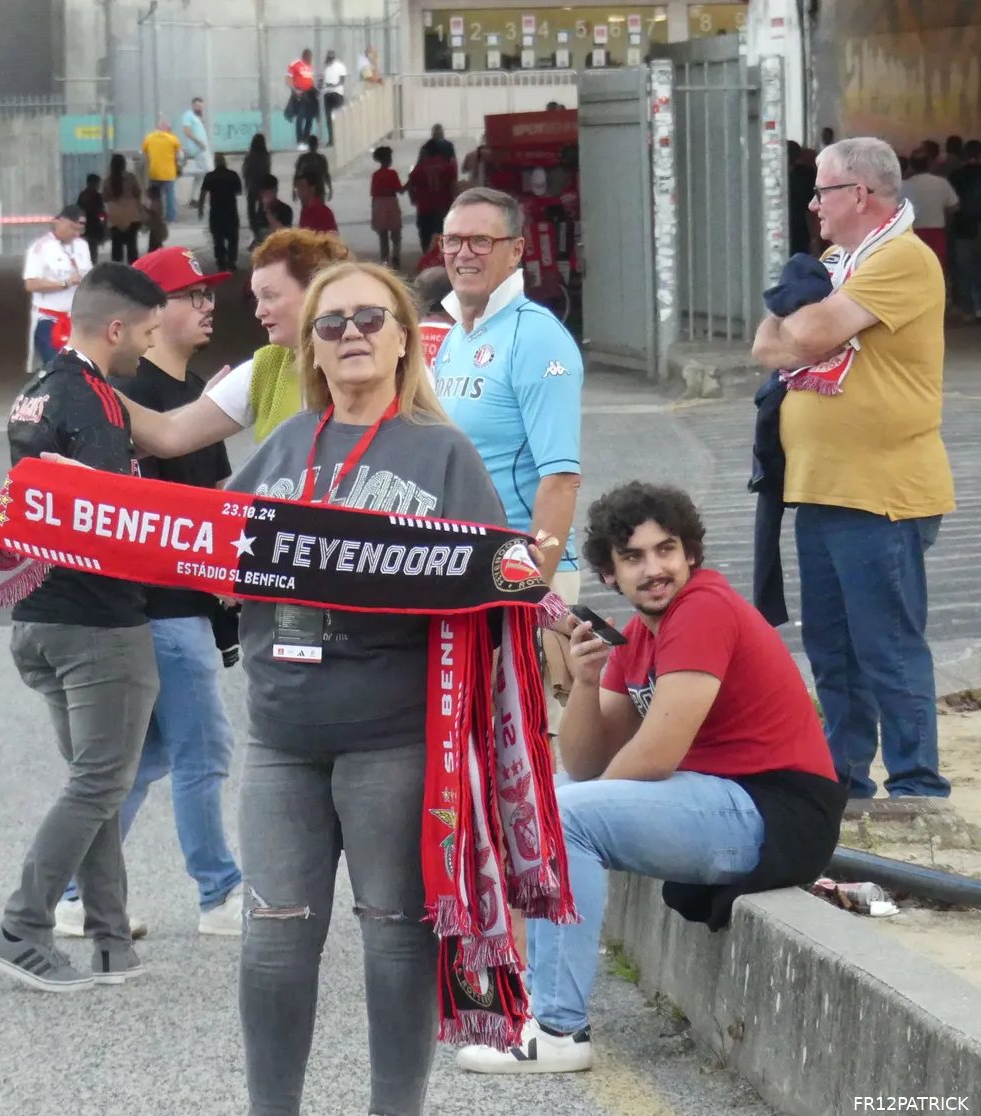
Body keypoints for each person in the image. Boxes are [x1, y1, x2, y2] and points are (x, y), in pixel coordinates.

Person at [225, 259, 508, 1116]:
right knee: (273, 941)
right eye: (331, 323)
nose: (350, 335)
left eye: (368, 319)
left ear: (400, 339)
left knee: (394, 934)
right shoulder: (282, 444)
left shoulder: (443, 451)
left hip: (393, 735)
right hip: (280, 732)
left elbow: (501, 578)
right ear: (310, 346)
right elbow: (202, 549)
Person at [455, 483, 845, 1074]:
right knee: (542, 800)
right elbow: (585, 764)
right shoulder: (639, 635)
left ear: (690, 552)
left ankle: (559, 1030)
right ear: (610, 575)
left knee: (562, 813)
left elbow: (656, 754)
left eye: (666, 550)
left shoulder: (704, 610)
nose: (655, 569)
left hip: (777, 809)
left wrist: (570, 814)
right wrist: (586, 684)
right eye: (633, 558)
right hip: (721, 800)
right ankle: (532, 1004)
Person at [0, 262, 168, 992]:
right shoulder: (96, 402)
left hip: (36, 616)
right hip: (98, 623)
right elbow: (108, 520)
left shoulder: (35, 393)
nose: (147, 350)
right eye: (147, 334)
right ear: (115, 329)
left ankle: (111, 941)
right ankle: (21, 925)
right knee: (99, 783)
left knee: (98, 784)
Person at [751, 136, 953, 800]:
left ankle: (919, 788)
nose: (813, 206)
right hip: (822, 485)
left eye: (821, 190)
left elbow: (802, 338)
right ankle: (845, 782)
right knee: (834, 654)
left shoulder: (902, 259)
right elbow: (764, 346)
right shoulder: (839, 261)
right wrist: (801, 314)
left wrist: (800, 315)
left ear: (858, 194)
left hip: (881, 491)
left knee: (887, 648)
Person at [56, 246, 244, 941]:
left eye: (208, 294)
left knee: (148, 759)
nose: (207, 307)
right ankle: (219, 894)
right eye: (192, 294)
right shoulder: (130, 404)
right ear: (148, 314)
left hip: (189, 603)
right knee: (205, 749)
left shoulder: (197, 389)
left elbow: (216, 494)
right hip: (161, 604)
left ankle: (74, 890)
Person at [434, 187, 585, 718]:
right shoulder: (456, 337)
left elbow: (561, 479)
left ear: (517, 250)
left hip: (527, 579)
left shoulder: (536, 337)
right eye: (453, 240)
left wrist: (534, 593)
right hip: (469, 577)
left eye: (481, 240)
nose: (463, 253)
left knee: (535, 763)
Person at [118, 229, 351, 457]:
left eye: (270, 296)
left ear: (317, 291)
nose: (259, 312)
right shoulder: (265, 367)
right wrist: (91, 384)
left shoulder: (376, 364)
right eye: (257, 299)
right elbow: (171, 436)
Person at [23, 205, 92, 369]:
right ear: (59, 222)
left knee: (82, 368)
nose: (75, 234)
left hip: (76, 320)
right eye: (72, 228)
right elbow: (30, 283)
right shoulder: (40, 248)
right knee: (56, 367)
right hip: (49, 320)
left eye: (79, 230)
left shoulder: (82, 245)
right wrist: (64, 283)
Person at [900, 153, 958, 272]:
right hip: (936, 234)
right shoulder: (941, 182)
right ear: (930, 164)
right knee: (937, 270)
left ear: (911, 166)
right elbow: (954, 207)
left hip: (912, 234)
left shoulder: (905, 185)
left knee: (914, 270)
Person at [950, 139, 981, 321]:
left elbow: (953, 204)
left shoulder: (957, 175)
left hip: (963, 227)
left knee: (964, 267)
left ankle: (968, 308)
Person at [198, 154, 244, 272]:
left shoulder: (210, 176)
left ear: (215, 162)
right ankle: (231, 261)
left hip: (216, 212)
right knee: (233, 238)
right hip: (230, 211)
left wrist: (200, 209)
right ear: (225, 162)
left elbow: (203, 193)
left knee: (218, 239)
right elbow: (239, 191)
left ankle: (221, 263)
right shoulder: (233, 175)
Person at [103, 154, 143, 265]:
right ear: (124, 164)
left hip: (115, 217)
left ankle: (117, 270)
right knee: (132, 246)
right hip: (132, 215)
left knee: (116, 247)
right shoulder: (131, 178)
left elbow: (105, 198)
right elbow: (138, 193)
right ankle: (134, 269)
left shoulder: (108, 181)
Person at [141, 119, 183, 225]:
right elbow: (180, 155)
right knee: (170, 197)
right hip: (169, 173)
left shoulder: (149, 138)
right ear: (167, 128)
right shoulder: (172, 138)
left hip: (154, 172)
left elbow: (144, 152)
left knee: (155, 196)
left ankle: (156, 216)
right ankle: (170, 218)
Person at [371, 146, 406, 269]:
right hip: (391, 202)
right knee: (396, 233)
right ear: (387, 159)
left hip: (379, 204)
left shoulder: (375, 175)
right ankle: (396, 256)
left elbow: (373, 193)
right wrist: (410, 182)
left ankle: (384, 259)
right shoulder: (392, 173)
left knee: (383, 235)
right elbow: (400, 190)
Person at [180, 97, 214, 208]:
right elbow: (187, 131)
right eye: (198, 106)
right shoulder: (188, 115)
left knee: (200, 176)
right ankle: (182, 172)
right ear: (193, 105)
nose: (200, 108)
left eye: (201, 107)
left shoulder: (197, 117)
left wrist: (201, 117)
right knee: (208, 170)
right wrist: (198, 142)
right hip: (198, 148)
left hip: (203, 147)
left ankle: (195, 199)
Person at [241, 134, 273, 246]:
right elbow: (268, 170)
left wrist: (246, 184)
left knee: (251, 212)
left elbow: (245, 172)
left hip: (252, 186)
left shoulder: (250, 156)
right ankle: (262, 234)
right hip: (263, 186)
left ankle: (256, 234)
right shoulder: (266, 156)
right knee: (262, 211)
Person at [286, 49, 319, 150]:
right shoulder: (295, 65)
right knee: (300, 117)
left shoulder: (310, 67)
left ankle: (306, 140)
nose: (310, 60)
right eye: (309, 58)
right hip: (300, 93)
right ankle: (299, 141)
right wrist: (295, 90)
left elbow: (309, 80)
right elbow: (288, 80)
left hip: (309, 94)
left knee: (310, 117)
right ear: (305, 56)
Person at [76, 175, 108, 264]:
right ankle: (92, 264)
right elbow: (101, 211)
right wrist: (104, 223)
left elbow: (79, 210)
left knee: (85, 246)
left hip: (85, 225)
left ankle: (86, 263)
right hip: (94, 225)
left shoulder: (82, 195)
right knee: (93, 248)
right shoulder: (97, 196)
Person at [293, 135, 332, 203]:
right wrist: (330, 188)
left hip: (309, 190)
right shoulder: (320, 159)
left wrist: (294, 190)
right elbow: (326, 175)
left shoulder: (303, 159)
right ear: (317, 145)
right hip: (316, 189)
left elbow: (297, 175)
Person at [321, 50, 347, 147]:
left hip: (337, 93)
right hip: (327, 93)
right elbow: (322, 79)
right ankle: (331, 139)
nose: (329, 59)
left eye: (331, 57)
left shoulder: (340, 66)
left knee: (338, 117)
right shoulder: (325, 67)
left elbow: (342, 79)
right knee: (329, 118)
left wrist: (335, 85)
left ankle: (340, 138)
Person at [142, 185, 169, 252]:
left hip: (156, 228)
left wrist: (145, 209)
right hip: (156, 228)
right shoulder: (157, 202)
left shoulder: (156, 203)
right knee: (156, 244)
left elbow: (154, 213)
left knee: (155, 244)